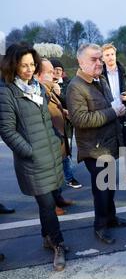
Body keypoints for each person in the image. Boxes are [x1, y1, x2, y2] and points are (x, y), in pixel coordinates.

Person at [0, 43, 68, 271]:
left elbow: (45, 120)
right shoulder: (7, 92)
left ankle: (46, 236)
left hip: (49, 156)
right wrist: (30, 152)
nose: (29, 69)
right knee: (47, 204)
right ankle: (58, 243)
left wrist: (55, 137)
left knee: (47, 203)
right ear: (13, 66)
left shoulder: (36, 87)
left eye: (32, 64)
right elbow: (7, 131)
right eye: (23, 66)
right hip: (32, 160)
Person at [66, 43, 126, 245]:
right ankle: (100, 226)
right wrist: (113, 112)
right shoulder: (75, 86)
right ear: (80, 61)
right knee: (101, 190)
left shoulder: (100, 80)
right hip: (93, 149)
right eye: (93, 59)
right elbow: (81, 120)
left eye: (100, 58)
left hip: (107, 145)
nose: (99, 62)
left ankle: (111, 218)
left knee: (109, 186)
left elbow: (110, 106)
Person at [37, 58, 75, 215]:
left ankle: (58, 198)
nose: (54, 75)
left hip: (59, 138)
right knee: (50, 176)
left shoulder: (48, 89)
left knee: (58, 173)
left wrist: (63, 111)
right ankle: (52, 205)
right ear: (38, 75)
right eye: (50, 72)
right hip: (49, 142)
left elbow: (56, 107)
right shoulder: (40, 91)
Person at [101, 43, 126, 184]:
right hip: (108, 116)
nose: (110, 57)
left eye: (112, 54)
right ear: (103, 58)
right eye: (107, 55)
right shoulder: (99, 75)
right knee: (108, 148)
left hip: (124, 115)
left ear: (115, 55)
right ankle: (107, 176)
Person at [50, 58, 82, 189]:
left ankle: (69, 177)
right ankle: (54, 179)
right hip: (51, 123)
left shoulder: (68, 84)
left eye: (59, 70)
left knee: (66, 152)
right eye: (54, 70)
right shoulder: (44, 84)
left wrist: (59, 93)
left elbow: (71, 102)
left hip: (66, 125)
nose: (57, 72)